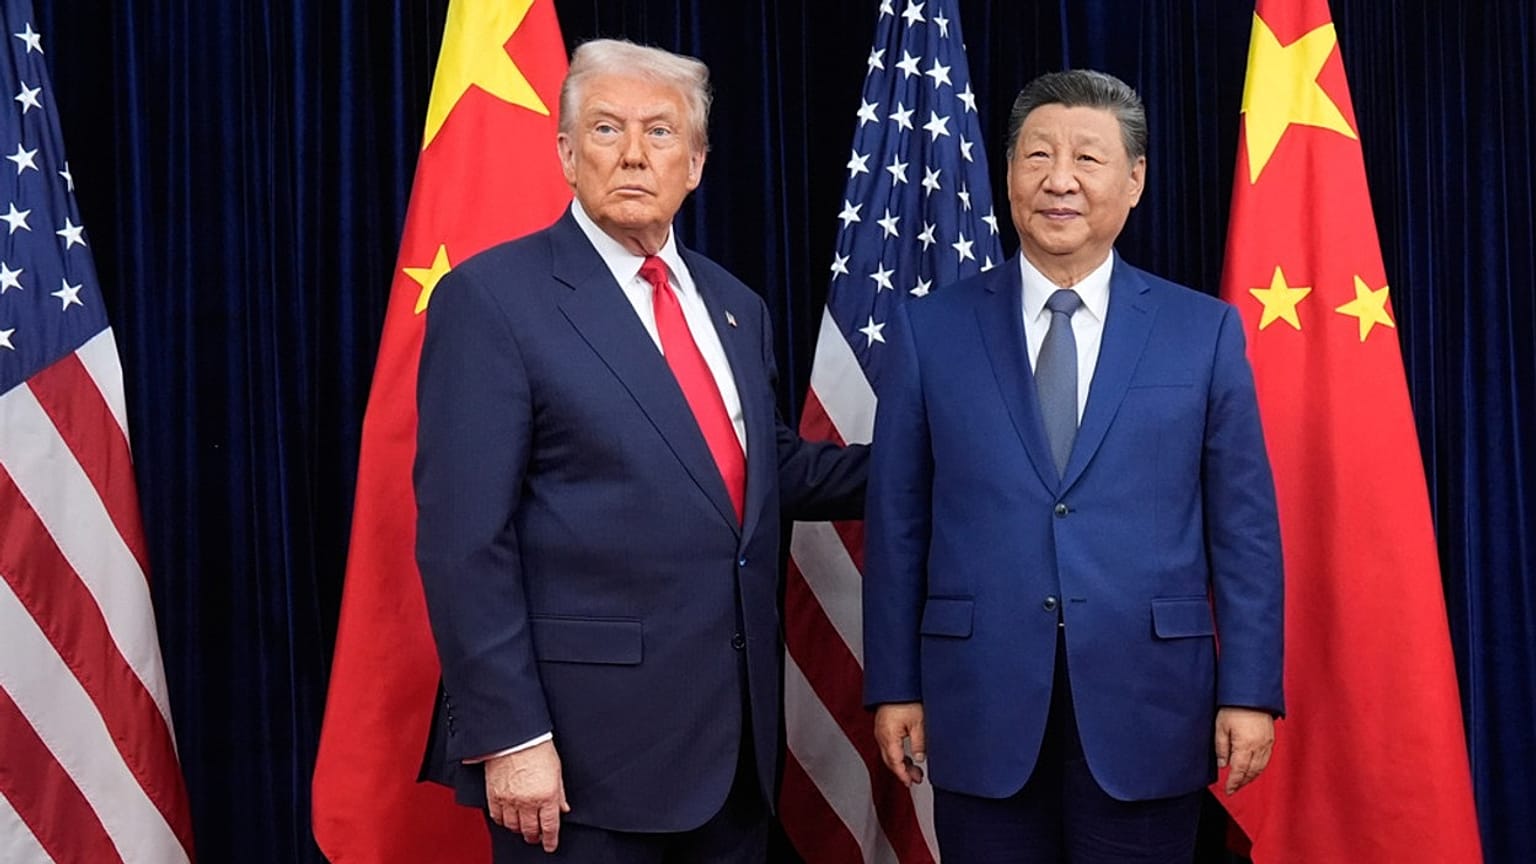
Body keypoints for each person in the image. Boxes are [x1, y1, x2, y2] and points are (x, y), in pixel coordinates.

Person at [413, 39, 867, 862]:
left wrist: (935, 460)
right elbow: (462, 542)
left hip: (731, 756)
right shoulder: (493, 300)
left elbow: (761, 471)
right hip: (579, 762)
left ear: (694, 163)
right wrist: (511, 736)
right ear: (564, 152)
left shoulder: (735, 305)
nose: (632, 154)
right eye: (605, 128)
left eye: (660, 133)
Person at [862, 69, 1284, 863]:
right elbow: (897, 524)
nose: (1059, 180)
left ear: (1134, 180)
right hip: (978, 703)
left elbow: (1245, 531)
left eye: (1088, 159)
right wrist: (894, 684)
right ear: (1009, 173)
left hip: (1150, 705)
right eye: (1037, 156)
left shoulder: (1205, 333)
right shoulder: (930, 332)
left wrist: (1251, 692)